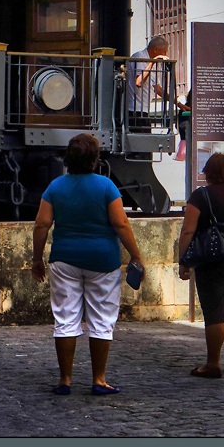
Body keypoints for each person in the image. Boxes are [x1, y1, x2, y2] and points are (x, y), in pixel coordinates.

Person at [31, 133, 144, 396]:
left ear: (68, 158)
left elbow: (41, 225)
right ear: (95, 159)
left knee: (65, 319)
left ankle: (65, 380)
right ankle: (98, 379)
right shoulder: (106, 187)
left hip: (64, 259)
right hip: (102, 260)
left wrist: (37, 259)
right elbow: (120, 224)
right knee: (102, 320)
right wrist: (136, 256)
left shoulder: (55, 187)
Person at [177, 152, 224, 378]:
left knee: (213, 310)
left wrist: (183, 260)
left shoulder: (201, 195)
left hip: (213, 256)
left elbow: (188, 229)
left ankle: (213, 364)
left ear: (208, 173)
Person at [126, 35, 171, 116]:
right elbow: (138, 82)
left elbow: (157, 88)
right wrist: (152, 62)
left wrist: (177, 103)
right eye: (164, 52)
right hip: (134, 108)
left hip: (145, 108)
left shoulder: (156, 63)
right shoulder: (139, 56)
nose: (165, 55)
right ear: (156, 50)